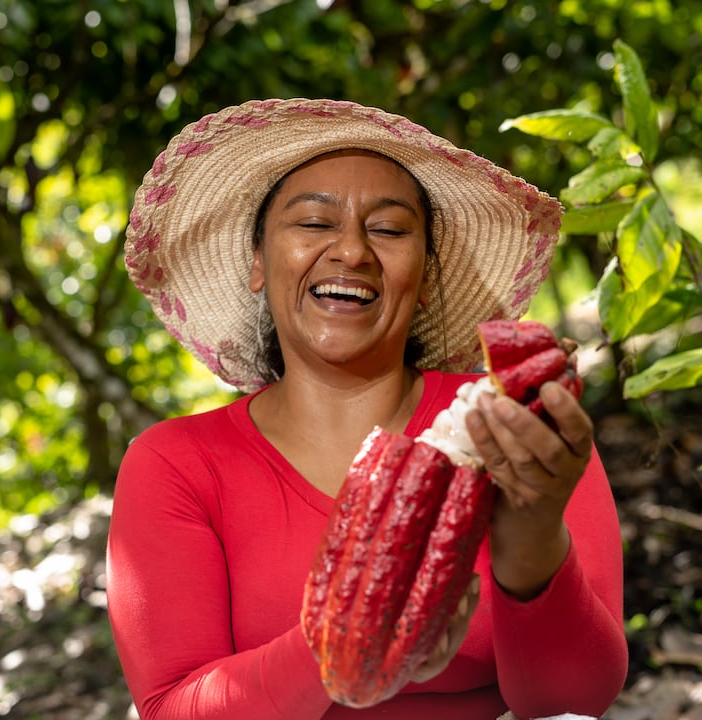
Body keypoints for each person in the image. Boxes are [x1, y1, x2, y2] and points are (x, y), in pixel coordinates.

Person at [106, 98, 628, 719]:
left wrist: (533, 537)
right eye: (313, 223)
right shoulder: (178, 463)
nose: (351, 251)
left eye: (388, 229)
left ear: (427, 275)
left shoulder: (518, 435)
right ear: (256, 262)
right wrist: (347, 638)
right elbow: (170, 708)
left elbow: (572, 704)